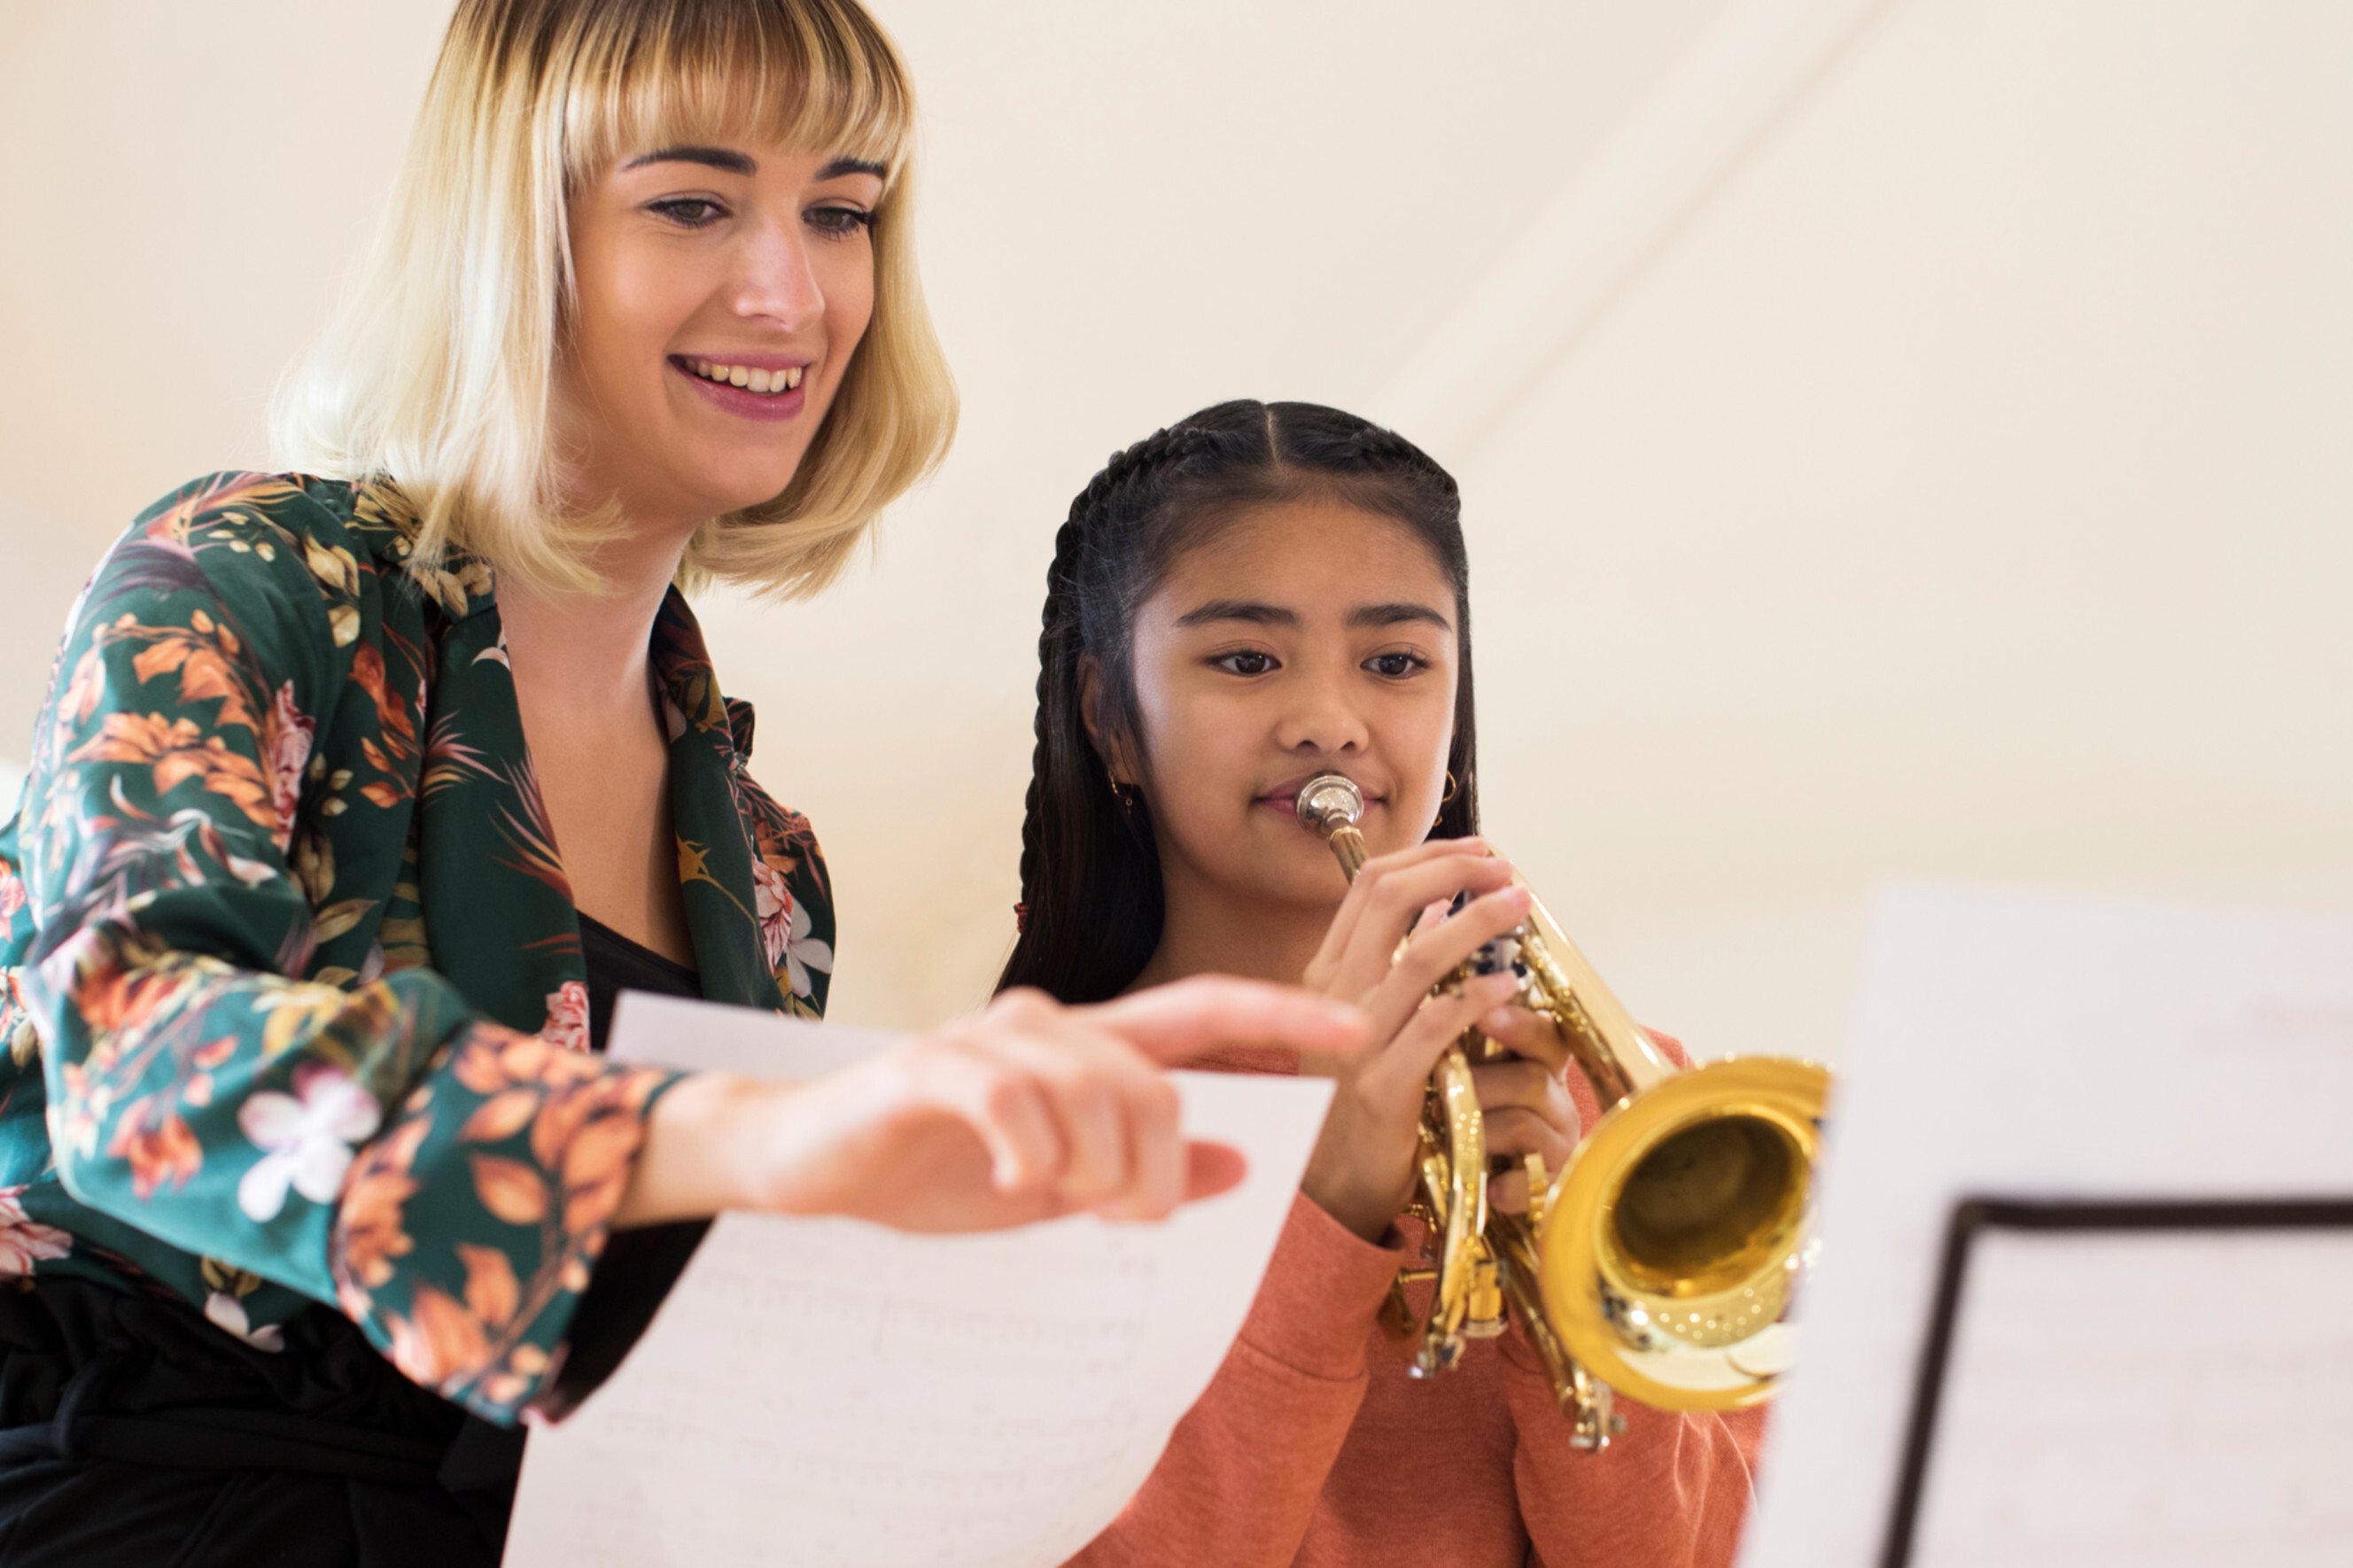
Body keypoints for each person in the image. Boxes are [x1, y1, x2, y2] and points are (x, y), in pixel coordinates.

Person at [0, 8, 1363, 1564]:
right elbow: (127, 1049)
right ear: (517, 239)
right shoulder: (250, 576)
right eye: (694, 203)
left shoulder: (773, 874)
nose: (792, 291)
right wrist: (752, 1136)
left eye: (840, 212)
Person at [1001, 400, 1761, 1568]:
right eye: (1246, 659)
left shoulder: (1630, 1098)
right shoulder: (1014, 1130)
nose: (1329, 723)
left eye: (1397, 662)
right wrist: (1324, 1212)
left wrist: (1579, 1297)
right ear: (1111, 716)